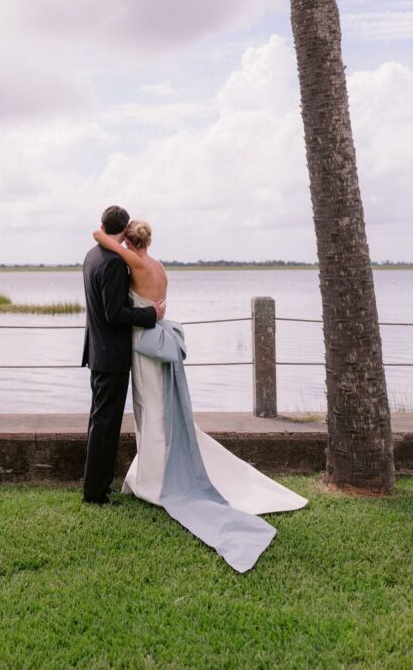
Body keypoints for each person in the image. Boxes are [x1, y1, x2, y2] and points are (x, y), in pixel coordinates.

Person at [93, 218, 307, 573]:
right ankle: (150, 472)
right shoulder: (157, 266)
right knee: (159, 406)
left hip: (144, 344)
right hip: (159, 337)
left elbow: (102, 238)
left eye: (126, 241)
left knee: (150, 407)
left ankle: (154, 479)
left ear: (130, 242)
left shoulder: (135, 261)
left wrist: (105, 231)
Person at [81, 205, 166, 505]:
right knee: (106, 425)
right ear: (124, 228)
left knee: (99, 421)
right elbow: (114, 312)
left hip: (97, 352)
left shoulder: (92, 255)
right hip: (112, 356)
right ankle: (95, 493)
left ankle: (95, 486)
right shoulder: (115, 263)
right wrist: (149, 314)